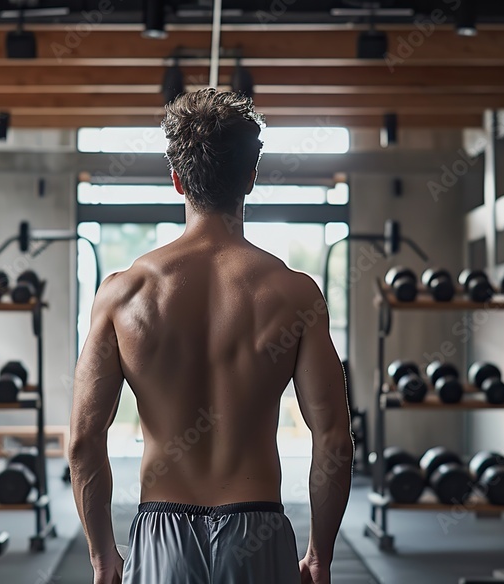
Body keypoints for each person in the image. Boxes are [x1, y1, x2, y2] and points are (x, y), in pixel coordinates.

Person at [70, 88, 353, 584]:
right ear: (251, 177)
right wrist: (319, 555)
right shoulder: (294, 293)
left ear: (177, 180)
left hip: (162, 530)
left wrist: (102, 555)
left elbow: (83, 441)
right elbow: (333, 439)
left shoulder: (122, 294)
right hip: (257, 528)